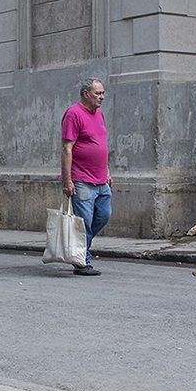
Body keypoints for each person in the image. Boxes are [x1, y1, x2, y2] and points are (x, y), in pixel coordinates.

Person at [61, 78, 112, 276]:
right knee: (84, 222)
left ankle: (80, 251)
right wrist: (67, 181)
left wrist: (107, 170)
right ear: (86, 94)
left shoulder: (99, 114)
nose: (102, 97)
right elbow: (67, 148)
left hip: (101, 180)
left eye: (102, 93)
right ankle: (81, 262)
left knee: (103, 215)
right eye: (98, 93)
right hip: (81, 180)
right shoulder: (73, 114)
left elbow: (101, 144)